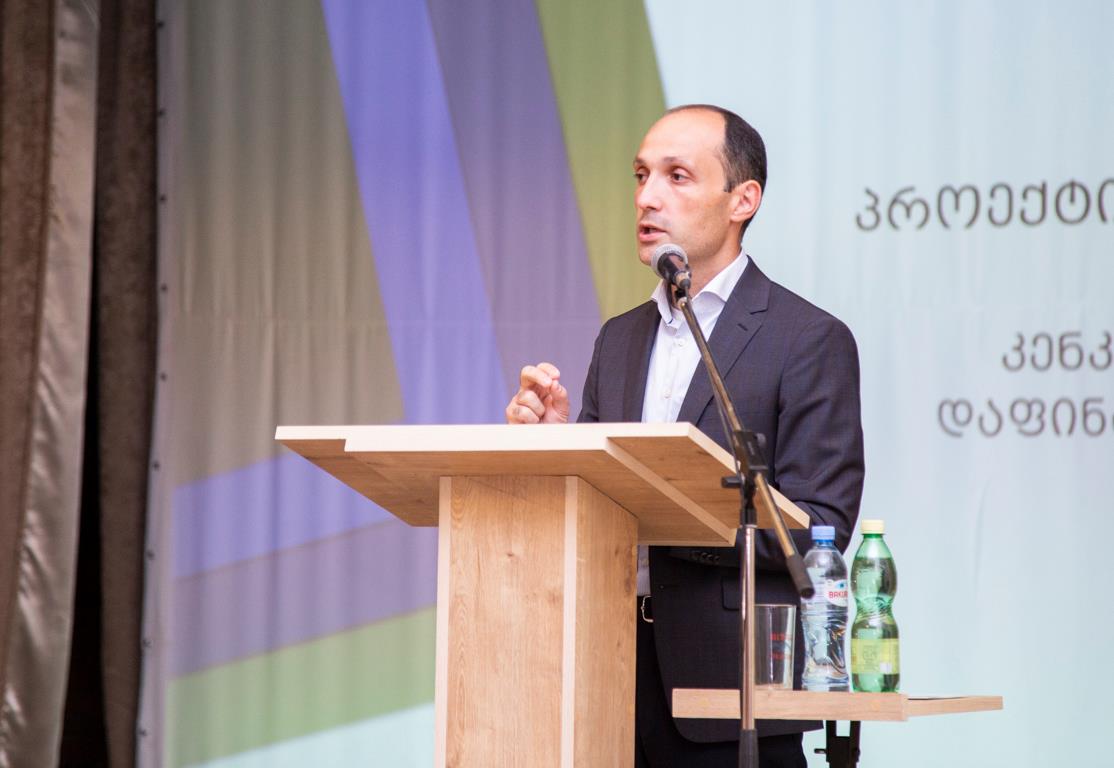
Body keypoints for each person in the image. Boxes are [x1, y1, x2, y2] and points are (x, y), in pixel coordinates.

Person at [506, 104, 865, 768]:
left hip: (730, 693)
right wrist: (555, 450)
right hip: (605, 679)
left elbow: (822, 527)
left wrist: (674, 519)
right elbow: (592, 511)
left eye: (676, 176)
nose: (647, 197)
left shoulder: (807, 339)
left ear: (742, 201)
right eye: (641, 175)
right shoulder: (619, 338)